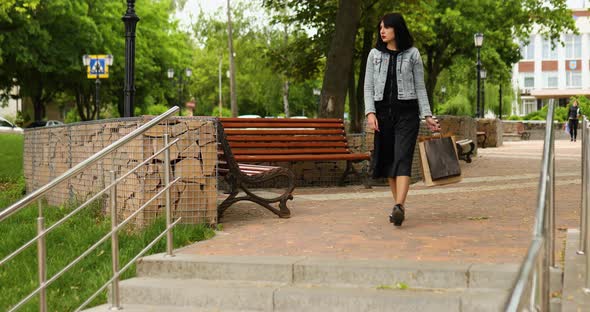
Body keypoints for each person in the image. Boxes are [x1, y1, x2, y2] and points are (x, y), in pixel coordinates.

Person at [364, 13, 439, 227]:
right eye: (380, 28)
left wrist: (427, 115)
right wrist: (370, 113)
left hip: (407, 114)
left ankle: (399, 205)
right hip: (382, 115)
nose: (382, 31)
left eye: (386, 27)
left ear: (397, 29)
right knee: (389, 160)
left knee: (403, 157)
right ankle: (399, 206)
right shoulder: (374, 55)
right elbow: (368, 86)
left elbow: (420, 87)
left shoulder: (413, 54)